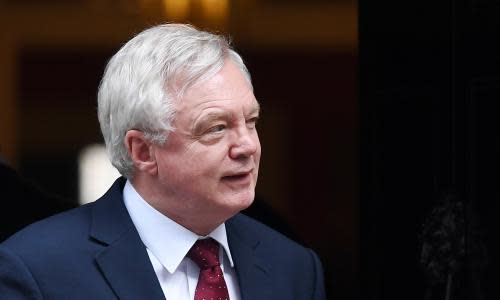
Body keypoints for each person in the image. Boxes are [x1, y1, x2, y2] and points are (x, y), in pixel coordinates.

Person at [0, 24, 326, 299]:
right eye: (216, 128)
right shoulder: (35, 269)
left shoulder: (294, 268)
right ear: (143, 151)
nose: (247, 146)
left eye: (251, 121)